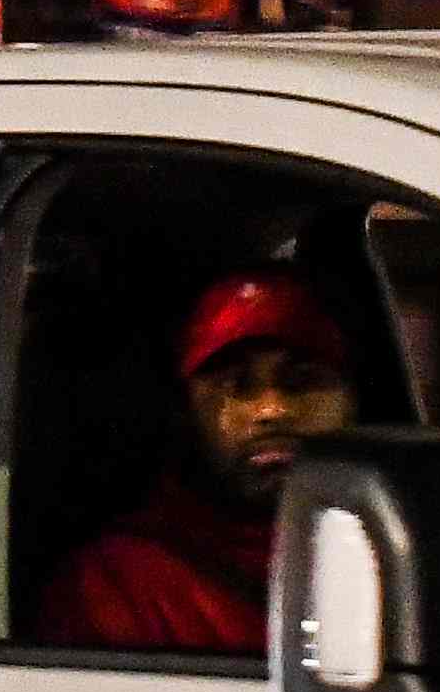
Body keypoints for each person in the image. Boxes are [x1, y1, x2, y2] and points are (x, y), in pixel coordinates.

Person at [31, 266, 363, 653]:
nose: (271, 410)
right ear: (186, 411)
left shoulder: (389, 555)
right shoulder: (115, 585)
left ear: (352, 401)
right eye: (237, 385)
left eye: (301, 381)